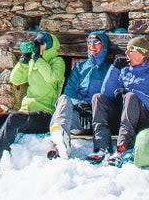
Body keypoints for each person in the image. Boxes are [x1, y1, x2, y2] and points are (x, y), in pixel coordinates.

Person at [0, 31, 64, 170]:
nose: (39, 46)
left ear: (50, 46)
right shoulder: (34, 61)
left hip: (45, 114)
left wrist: (38, 58)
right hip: (26, 112)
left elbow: (51, 77)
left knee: (14, 119)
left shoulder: (57, 62)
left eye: (42, 43)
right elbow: (15, 79)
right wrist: (24, 59)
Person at [87, 35, 149, 165]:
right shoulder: (125, 71)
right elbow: (106, 94)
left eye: (130, 50)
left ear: (142, 53)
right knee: (98, 98)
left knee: (131, 97)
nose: (126, 53)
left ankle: (122, 149)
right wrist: (115, 68)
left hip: (144, 123)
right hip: (122, 119)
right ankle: (101, 147)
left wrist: (133, 93)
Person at [46, 30, 112, 159]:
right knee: (63, 99)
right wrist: (80, 106)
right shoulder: (79, 67)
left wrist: (91, 108)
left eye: (96, 42)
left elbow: (110, 96)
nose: (92, 45)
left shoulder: (109, 69)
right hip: (77, 118)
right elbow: (69, 91)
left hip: (97, 119)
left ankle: (58, 142)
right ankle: (60, 142)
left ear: (104, 46)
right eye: (89, 42)